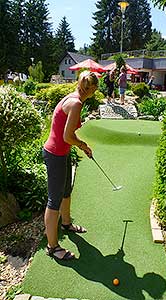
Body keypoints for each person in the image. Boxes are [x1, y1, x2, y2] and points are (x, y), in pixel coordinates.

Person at [42, 71, 98, 260]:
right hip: (55, 154)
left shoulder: (72, 97)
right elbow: (67, 136)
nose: (96, 92)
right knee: (54, 200)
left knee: (66, 190)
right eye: (95, 89)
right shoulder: (76, 103)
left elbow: (64, 134)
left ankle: (66, 223)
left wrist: (79, 145)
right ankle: (52, 246)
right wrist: (83, 145)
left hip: (61, 151)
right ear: (90, 88)